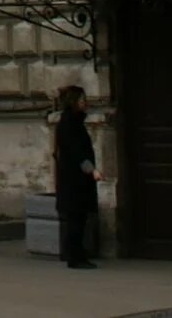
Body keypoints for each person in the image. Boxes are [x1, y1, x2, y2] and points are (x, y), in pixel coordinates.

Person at [53, 82, 100, 269]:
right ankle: (75, 257)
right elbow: (77, 152)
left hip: (75, 180)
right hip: (74, 181)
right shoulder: (70, 123)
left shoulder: (72, 121)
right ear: (73, 101)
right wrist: (92, 170)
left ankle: (77, 254)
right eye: (82, 99)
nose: (85, 102)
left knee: (78, 219)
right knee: (75, 220)